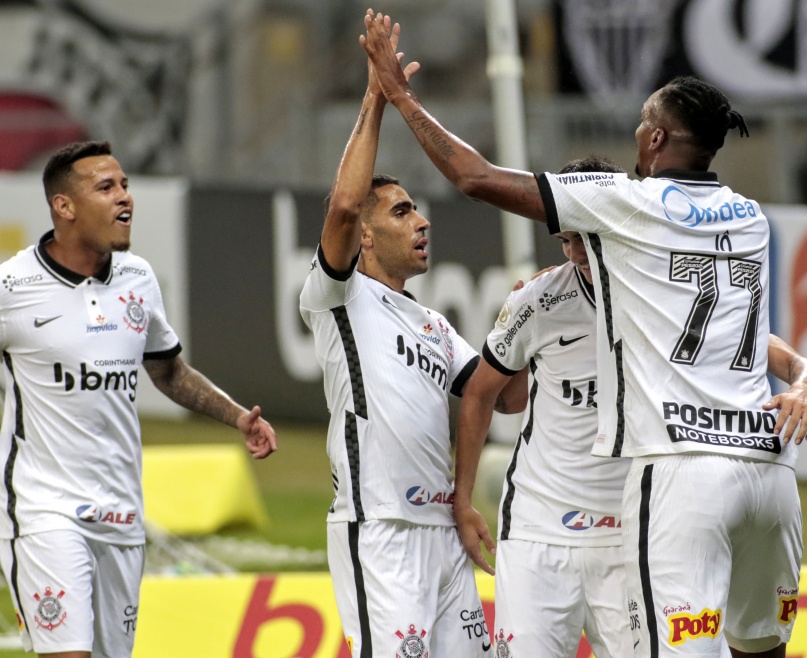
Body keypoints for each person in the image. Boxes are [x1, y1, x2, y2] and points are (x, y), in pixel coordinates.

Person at [362, 17, 807, 658]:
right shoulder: (749, 217)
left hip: (687, 469)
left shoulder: (628, 201)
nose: (635, 130)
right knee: (761, 646)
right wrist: (804, 382)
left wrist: (401, 97)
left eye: (641, 121)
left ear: (656, 137)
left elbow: (475, 177)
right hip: (771, 468)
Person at [456, 154, 807, 658]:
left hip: (634, 528)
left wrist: (803, 387)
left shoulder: (667, 297)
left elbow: (791, 360)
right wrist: (462, 498)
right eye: (567, 240)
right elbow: (492, 394)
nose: (578, 252)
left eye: (587, 237)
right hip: (541, 528)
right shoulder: (542, 300)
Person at [299, 14, 523, 658]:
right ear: (366, 236)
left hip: (445, 534)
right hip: (381, 531)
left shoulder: (434, 326)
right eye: (402, 211)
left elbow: (503, 396)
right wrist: (377, 94)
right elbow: (342, 206)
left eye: (418, 209)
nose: (422, 222)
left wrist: (532, 323)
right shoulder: (337, 294)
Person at [0, 140, 277, 658]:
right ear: (64, 206)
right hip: (44, 511)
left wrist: (237, 416)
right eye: (106, 188)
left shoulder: (138, 279)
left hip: (123, 513)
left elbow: (168, 370)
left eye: (125, 185)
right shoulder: (13, 287)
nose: (125, 197)